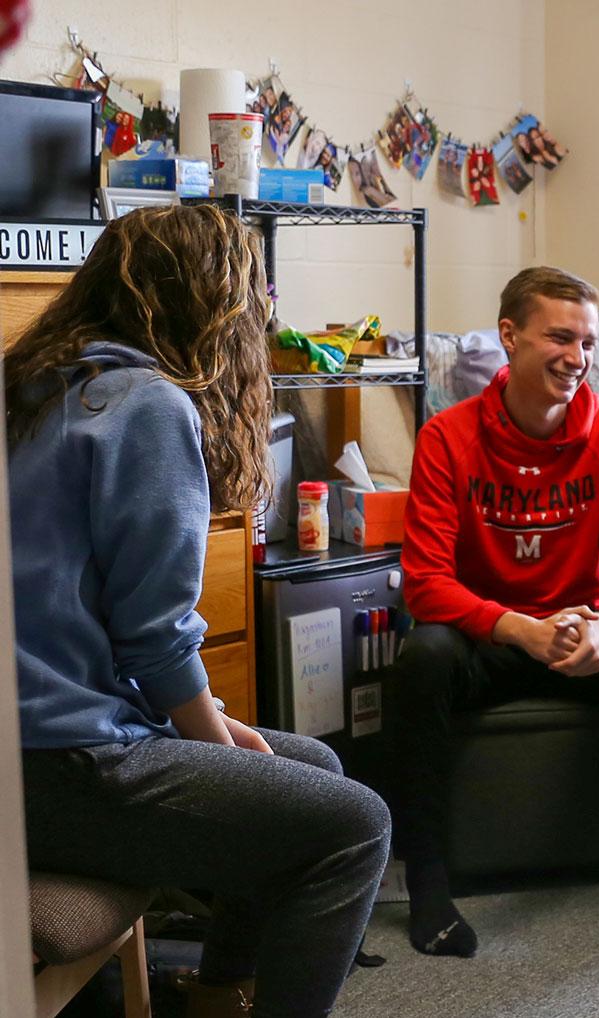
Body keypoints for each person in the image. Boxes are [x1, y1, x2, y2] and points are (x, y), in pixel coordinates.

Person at [9, 205, 392, 1018]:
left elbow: (88, 617)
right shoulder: (144, 405)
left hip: (32, 747)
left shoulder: (35, 386)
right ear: (216, 305)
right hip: (57, 765)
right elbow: (153, 638)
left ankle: (220, 995)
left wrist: (213, 725)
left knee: (312, 771)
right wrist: (218, 742)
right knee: (354, 825)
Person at [388, 266, 599, 957]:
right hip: (495, 641)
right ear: (510, 336)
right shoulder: (449, 439)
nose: (578, 357)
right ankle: (428, 884)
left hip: (579, 643)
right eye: (560, 337)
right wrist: (518, 629)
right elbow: (425, 583)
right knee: (422, 657)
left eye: (590, 342)